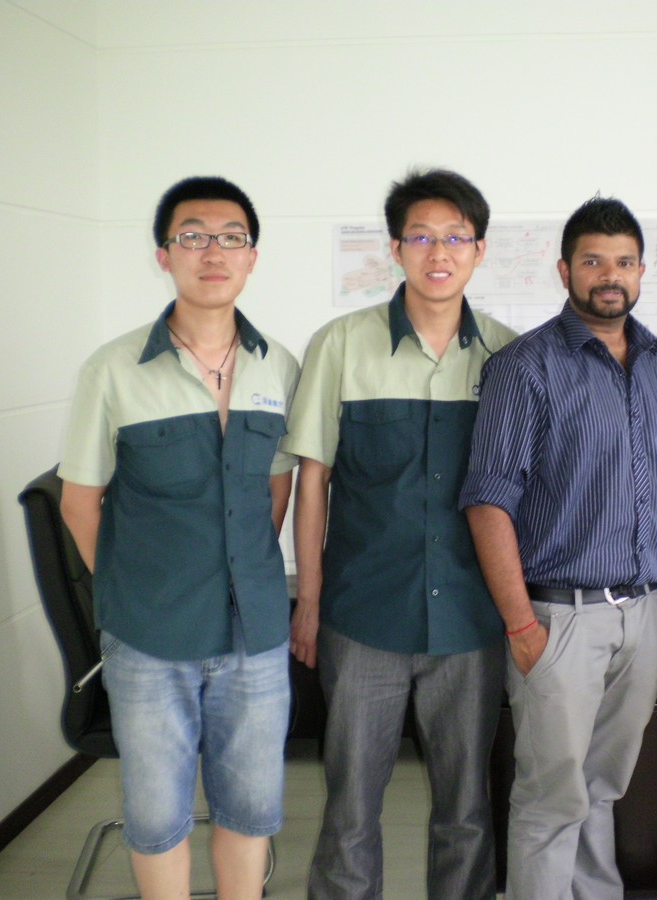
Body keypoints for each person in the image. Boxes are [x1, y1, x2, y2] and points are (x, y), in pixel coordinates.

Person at [59, 176, 299, 899]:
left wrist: (240, 571)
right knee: (158, 818)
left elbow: (276, 489)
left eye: (231, 238)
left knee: (250, 811)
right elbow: (80, 502)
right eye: (192, 236)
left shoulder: (280, 365)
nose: (212, 252)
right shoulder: (112, 369)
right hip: (148, 637)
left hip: (255, 632)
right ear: (164, 255)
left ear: (252, 256)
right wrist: (135, 591)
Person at [283, 168, 516, 900]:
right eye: (420, 237)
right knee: (351, 808)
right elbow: (313, 481)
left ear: (479, 250)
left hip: (472, 622)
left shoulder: (509, 357)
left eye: (456, 238)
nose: (438, 253)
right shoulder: (341, 344)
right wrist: (310, 602)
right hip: (363, 618)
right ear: (395, 249)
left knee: (467, 809)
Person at [459, 196, 657, 899]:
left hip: (640, 615)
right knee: (551, 799)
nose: (609, 275)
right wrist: (522, 626)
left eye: (623, 262)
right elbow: (488, 502)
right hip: (560, 619)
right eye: (592, 261)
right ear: (565, 270)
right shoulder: (525, 366)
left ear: (641, 271)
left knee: (601, 790)